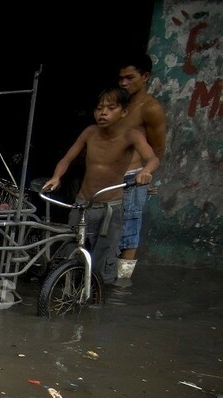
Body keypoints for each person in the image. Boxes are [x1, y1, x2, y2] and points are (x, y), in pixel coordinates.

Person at [42, 87, 160, 285]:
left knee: (103, 258)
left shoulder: (131, 136)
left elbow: (152, 159)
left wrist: (145, 171)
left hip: (110, 208)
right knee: (72, 248)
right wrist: (56, 177)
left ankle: (96, 294)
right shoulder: (90, 132)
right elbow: (67, 158)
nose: (103, 113)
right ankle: (69, 289)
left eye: (111, 108)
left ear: (124, 111)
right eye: (99, 108)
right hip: (83, 203)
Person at [117, 53, 167, 279]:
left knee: (129, 234)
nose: (124, 83)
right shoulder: (117, 103)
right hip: (111, 178)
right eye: (121, 78)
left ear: (145, 76)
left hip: (133, 178)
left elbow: (157, 150)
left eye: (130, 78)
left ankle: (121, 285)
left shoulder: (150, 108)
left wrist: (147, 175)